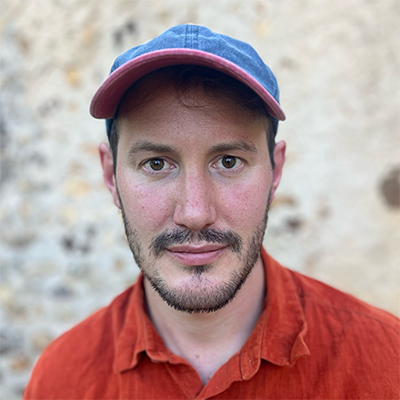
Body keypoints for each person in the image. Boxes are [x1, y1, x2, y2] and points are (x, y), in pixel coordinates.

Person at [24, 24, 399, 400]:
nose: (195, 213)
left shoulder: (387, 361)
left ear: (275, 171)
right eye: (156, 164)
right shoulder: (61, 381)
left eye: (229, 161)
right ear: (110, 175)